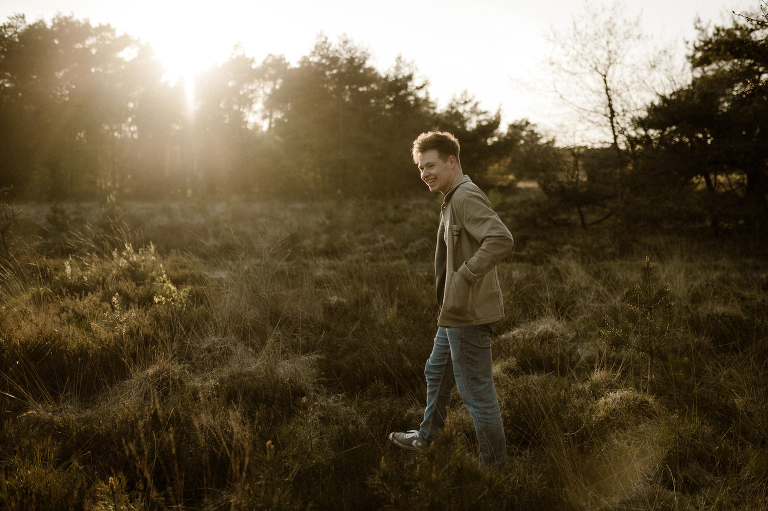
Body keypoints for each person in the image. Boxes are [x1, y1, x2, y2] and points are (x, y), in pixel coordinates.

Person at [388, 131, 514, 469]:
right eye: (420, 167)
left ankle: (494, 473)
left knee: (477, 395)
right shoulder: (452, 197)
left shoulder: (465, 196)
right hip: (454, 311)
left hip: (468, 313)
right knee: (436, 371)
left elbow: (500, 239)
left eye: (430, 165)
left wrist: (464, 276)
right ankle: (427, 438)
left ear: (452, 161)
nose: (424, 173)